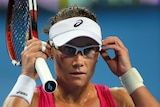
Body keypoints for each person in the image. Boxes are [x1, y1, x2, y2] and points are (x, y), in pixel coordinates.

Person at [3, 5, 159, 107]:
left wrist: (127, 75)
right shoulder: (31, 101)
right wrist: (27, 77)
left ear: (98, 53)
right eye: (69, 50)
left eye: (88, 50)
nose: (79, 61)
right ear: (51, 51)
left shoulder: (120, 100)